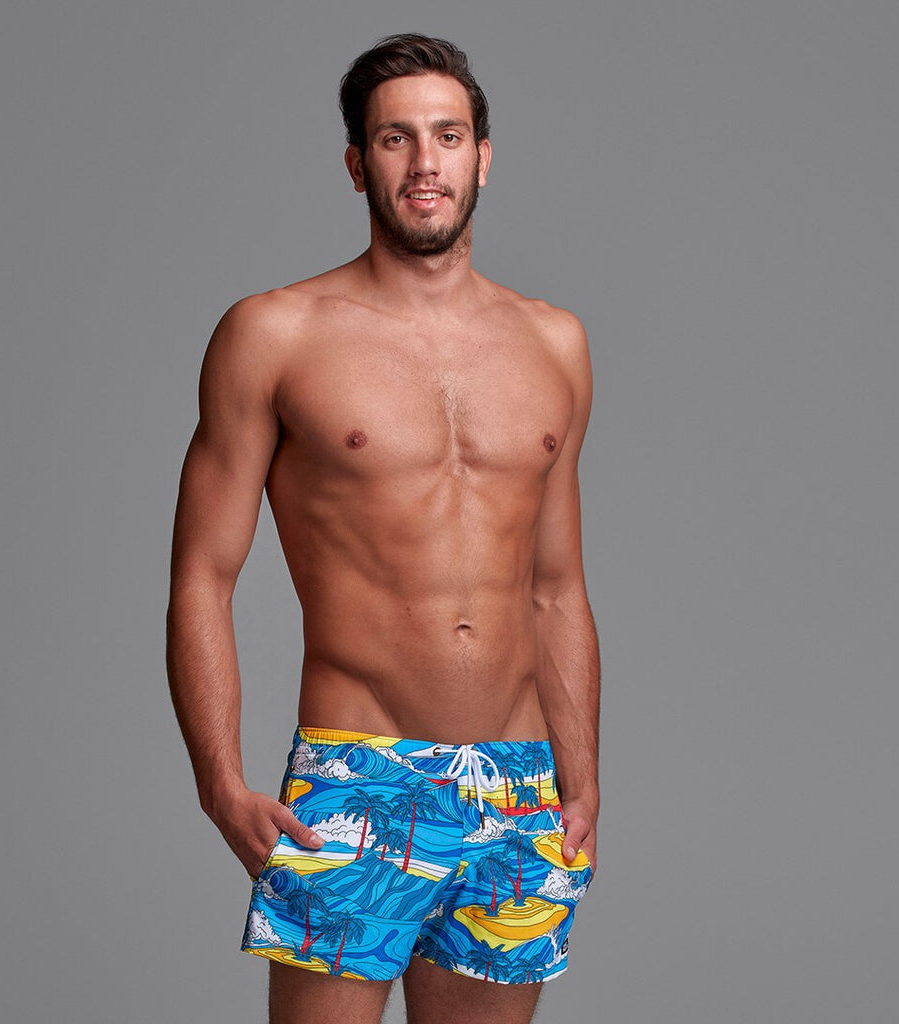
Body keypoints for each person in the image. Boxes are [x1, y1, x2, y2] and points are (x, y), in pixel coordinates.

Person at [167, 33, 600, 1024]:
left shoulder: (555, 343)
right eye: (396, 139)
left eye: (447, 135)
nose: (425, 163)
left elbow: (556, 586)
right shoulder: (274, 335)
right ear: (358, 164)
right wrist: (219, 784)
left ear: (483, 157)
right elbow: (201, 576)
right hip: (358, 776)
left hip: (517, 791)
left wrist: (582, 783)